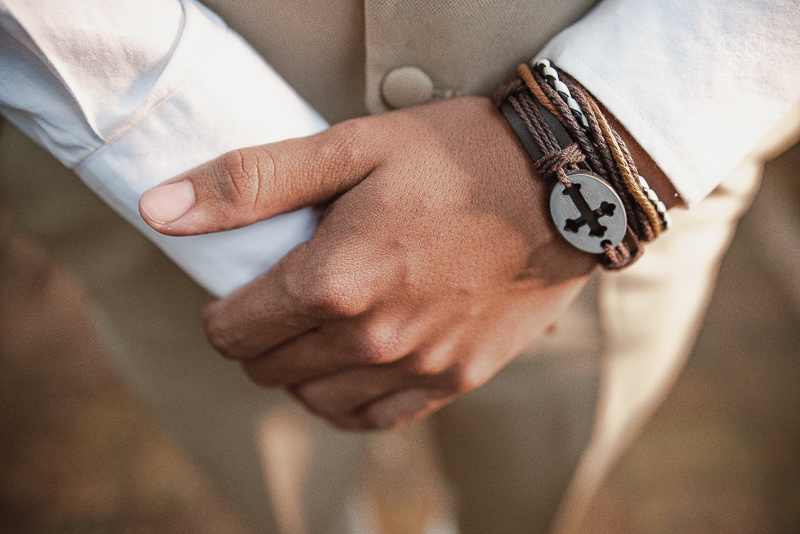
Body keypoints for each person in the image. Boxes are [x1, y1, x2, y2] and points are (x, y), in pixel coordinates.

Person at [1, 0, 798, 532]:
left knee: (543, 480)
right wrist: (154, 115)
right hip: (149, 192)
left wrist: (618, 127)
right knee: (278, 492)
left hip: (641, 162)